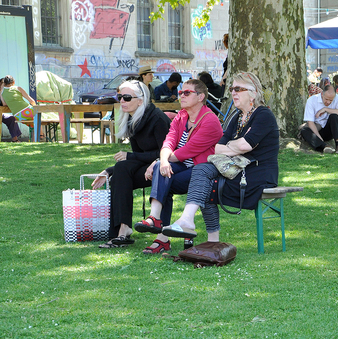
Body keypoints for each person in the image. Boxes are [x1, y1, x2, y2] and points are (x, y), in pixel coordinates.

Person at [162, 72, 279, 243]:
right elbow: (218, 148)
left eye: (238, 89)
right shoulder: (236, 117)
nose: (233, 93)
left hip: (257, 174)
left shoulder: (263, 114)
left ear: (253, 93)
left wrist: (234, 146)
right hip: (235, 170)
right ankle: (203, 234)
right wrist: (236, 146)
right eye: (232, 89)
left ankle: (201, 232)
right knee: (202, 171)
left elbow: (245, 145)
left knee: (206, 182)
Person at [133, 79, 223, 254]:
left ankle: (161, 237)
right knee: (162, 172)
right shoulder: (181, 116)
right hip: (180, 166)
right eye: (181, 92)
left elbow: (187, 151)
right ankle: (155, 219)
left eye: (187, 93)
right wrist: (162, 161)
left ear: (201, 97)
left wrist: (161, 162)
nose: (181, 95)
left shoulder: (210, 120)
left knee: (162, 177)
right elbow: (168, 142)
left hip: (201, 172)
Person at [92, 80, 171, 249]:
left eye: (127, 97)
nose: (122, 101)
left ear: (140, 101)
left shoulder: (157, 119)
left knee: (122, 169)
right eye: (120, 97)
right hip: (147, 167)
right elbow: (138, 158)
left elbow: (166, 153)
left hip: (164, 167)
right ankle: (123, 229)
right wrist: (109, 171)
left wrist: (130, 156)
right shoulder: (133, 118)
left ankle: (123, 231)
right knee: (120, 170)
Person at [298, 85, 338, 154]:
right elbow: (310, 123)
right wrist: (319, 138)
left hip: (329, 129)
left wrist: (325, 109)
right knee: (304, 131)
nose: (328, 102)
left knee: (334, 116)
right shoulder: (312, 100)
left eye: (331, 100)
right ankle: (324, 146)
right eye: (326, 99)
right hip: (316, 130)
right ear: (322, 94)